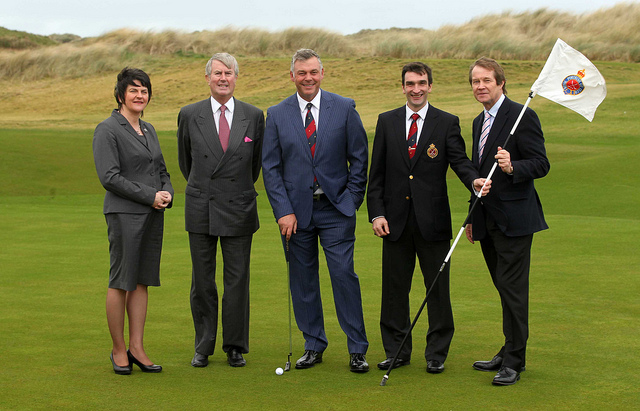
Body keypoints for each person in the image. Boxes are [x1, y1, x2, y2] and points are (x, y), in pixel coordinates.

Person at [367, 62, 489, 374]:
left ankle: (436, 352)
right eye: (410, 84)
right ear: (403, 86)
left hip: (432, 221)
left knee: (437, 290)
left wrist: (474, 180)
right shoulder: (387, 121)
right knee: (394, 291)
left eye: (422, 83)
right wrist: (376, 213)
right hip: (393, 222)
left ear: (430, 85)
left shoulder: (446, 122)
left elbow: (460, 161)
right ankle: (396, 351)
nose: (416, 89)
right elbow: (376, 174)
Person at [262, 49, 370, 373]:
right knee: (303, 280)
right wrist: (282, 211)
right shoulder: (277, 114)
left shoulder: (344, 107)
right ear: (291, 76)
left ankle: (357, 349)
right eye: (301, 73)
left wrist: (351, 199)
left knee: (342, 275)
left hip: (336, 209)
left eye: (313, 72)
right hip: (295, 214)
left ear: (323, 73)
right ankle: (313, 345)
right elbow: (270, 168)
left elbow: (360, 159)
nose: (307, 78)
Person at [465, 57, 550, 386]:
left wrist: (514, 167)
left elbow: (541, 164)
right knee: (503, 287)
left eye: (487, 80)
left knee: (513, 290)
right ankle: (509, 347)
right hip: (486, 219)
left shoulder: (523, 116)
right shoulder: (477, 122)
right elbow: (479, 172)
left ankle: (515, 360)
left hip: (516, 219)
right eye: (475, 81)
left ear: (501, 83)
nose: (480, 86)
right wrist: (471, 215)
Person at [177, 53, 264, 368]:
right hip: (201, 205)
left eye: (229, 73)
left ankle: (235, 346)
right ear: (207, 78)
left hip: (239, 205)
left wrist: (234, 189)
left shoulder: (253, 116)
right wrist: (206, 188)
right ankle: (203, 345)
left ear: (236, 77)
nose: (223, 78)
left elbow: (254, 166)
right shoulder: (189, 114)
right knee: (202, 281)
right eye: (217, 73)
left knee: (237, 280)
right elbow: (187, 163)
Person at [93, 67, 173, 375]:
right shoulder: (107, 129)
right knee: (122, 280)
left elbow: (161, 170)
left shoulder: (149, 129)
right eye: (134, 91)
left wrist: (166, 192)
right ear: (120, 95)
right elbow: (109, 177)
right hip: (125, 214)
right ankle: (118, 349)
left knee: (142, 280)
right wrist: (150, 196)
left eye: (144, 91)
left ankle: (137, 348)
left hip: (152, 214)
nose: (140, 96)